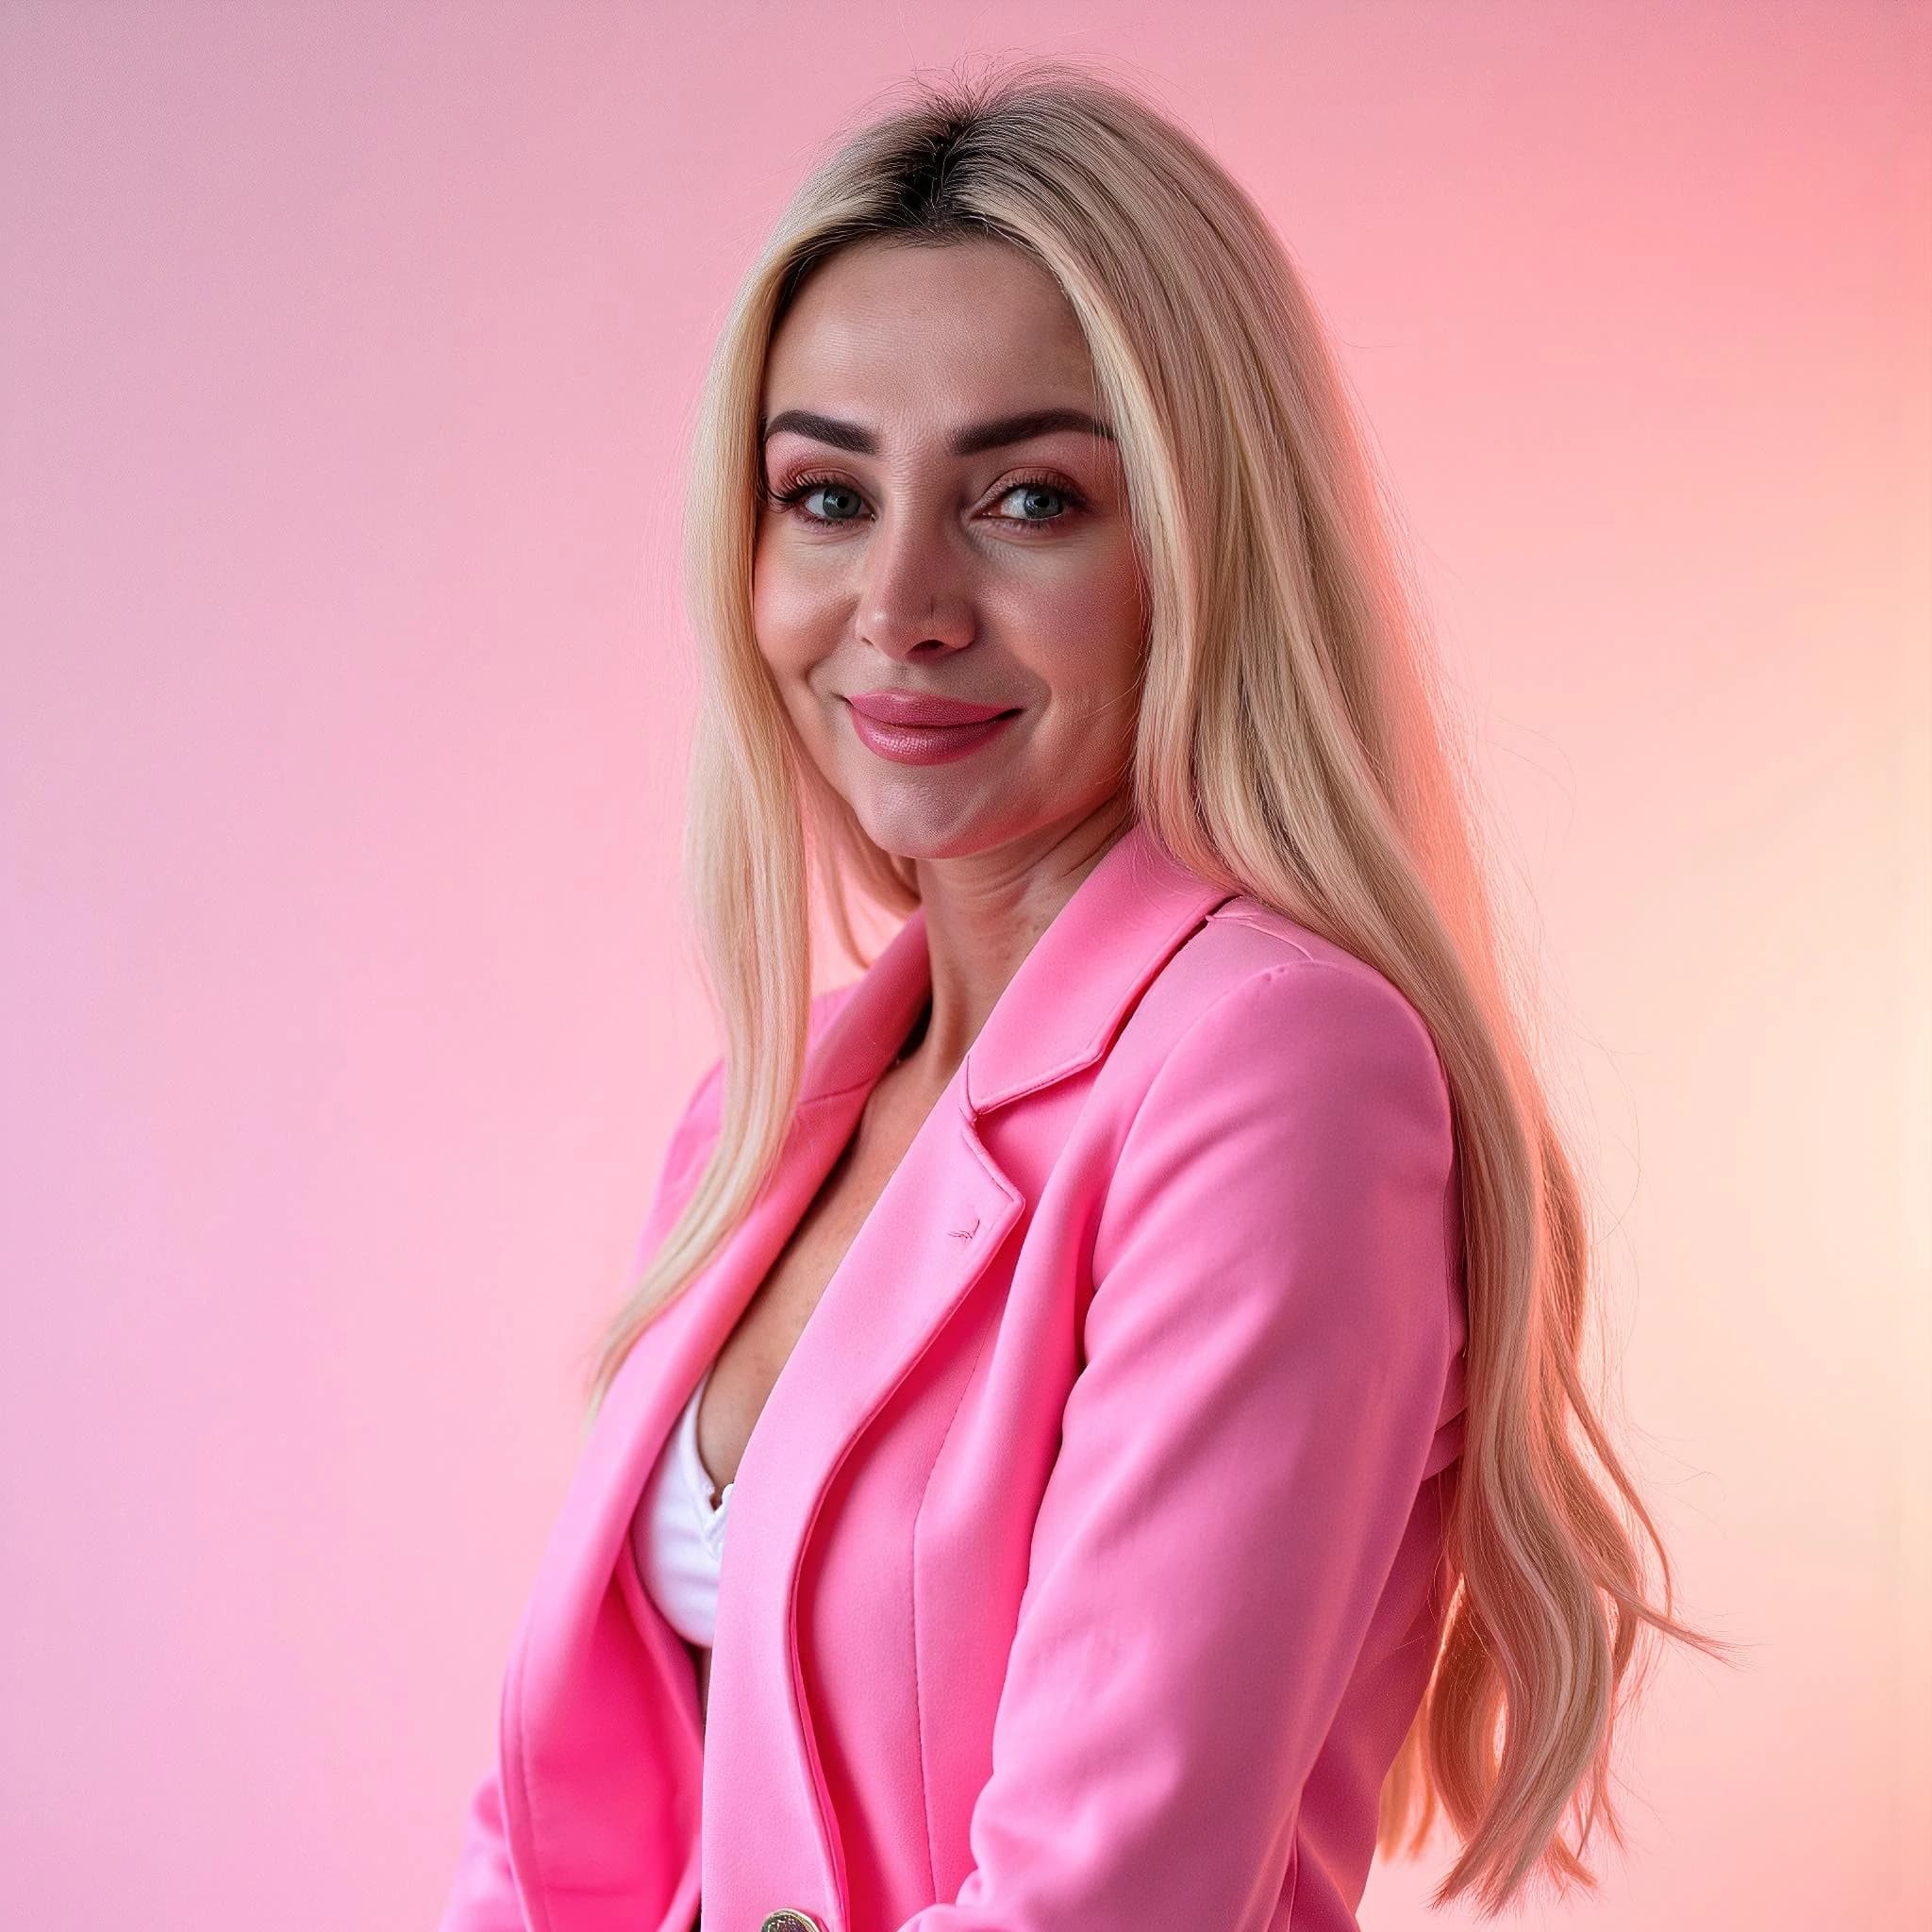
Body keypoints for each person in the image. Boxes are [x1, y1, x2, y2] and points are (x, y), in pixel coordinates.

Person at [439, 56, 1727, 1932]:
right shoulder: (764, 1111)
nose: (899, 601)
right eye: (822, 493)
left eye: (1028, 497)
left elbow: (1102, 1895)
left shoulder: (1275, 1071)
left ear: (1201, 548)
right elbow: (554, 1829)